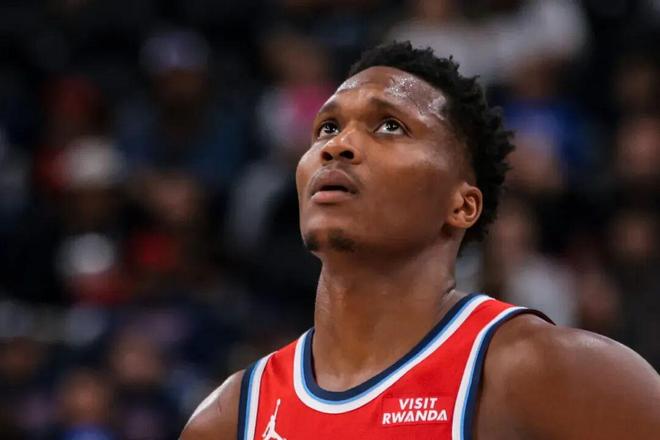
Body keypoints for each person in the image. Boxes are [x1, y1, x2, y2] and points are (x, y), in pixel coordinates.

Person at [181, 42, 660, 439]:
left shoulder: (551, 373)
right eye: (327, 127)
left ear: (462, 205)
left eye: (390, 126)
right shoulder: (229, 418)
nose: (337, 145)